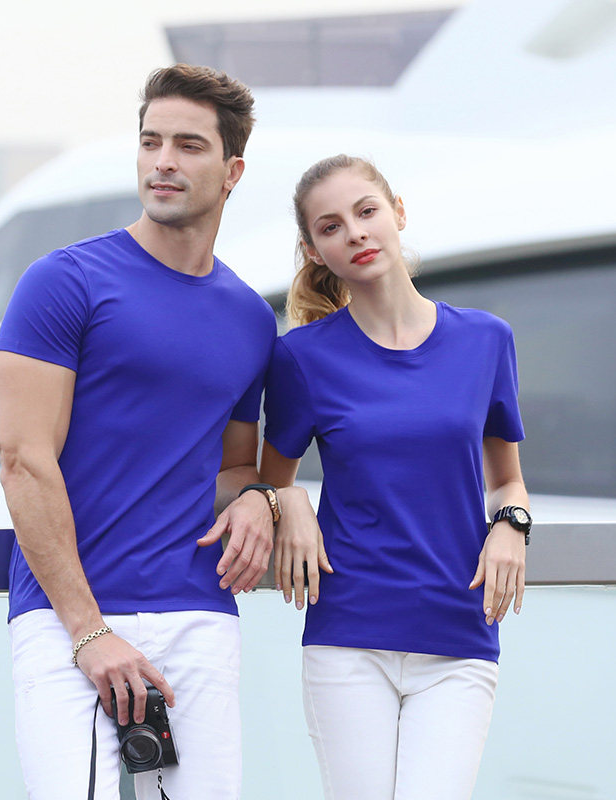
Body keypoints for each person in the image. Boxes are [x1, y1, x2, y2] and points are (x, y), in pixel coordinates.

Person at [0, 64, 281, 800]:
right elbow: (23, 462)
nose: (163, 161)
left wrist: (261, 499)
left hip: (197, 614)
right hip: (66, 619)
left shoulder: (250, 318)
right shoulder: (64, 282)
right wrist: (89, 632)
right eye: (151, 141)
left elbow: (234, 467)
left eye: (189, 145)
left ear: (232, 171)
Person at [259, 154, 531, 800]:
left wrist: (510, 525)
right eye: (330, 226)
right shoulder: (301, 357)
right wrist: (290, 502)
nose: (354, 232)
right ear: (314, 250)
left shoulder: (486, 341)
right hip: (348, 632)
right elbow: (267, 482)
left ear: (398, 212)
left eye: (366, 211)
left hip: (459, 632)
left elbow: (507, 482)